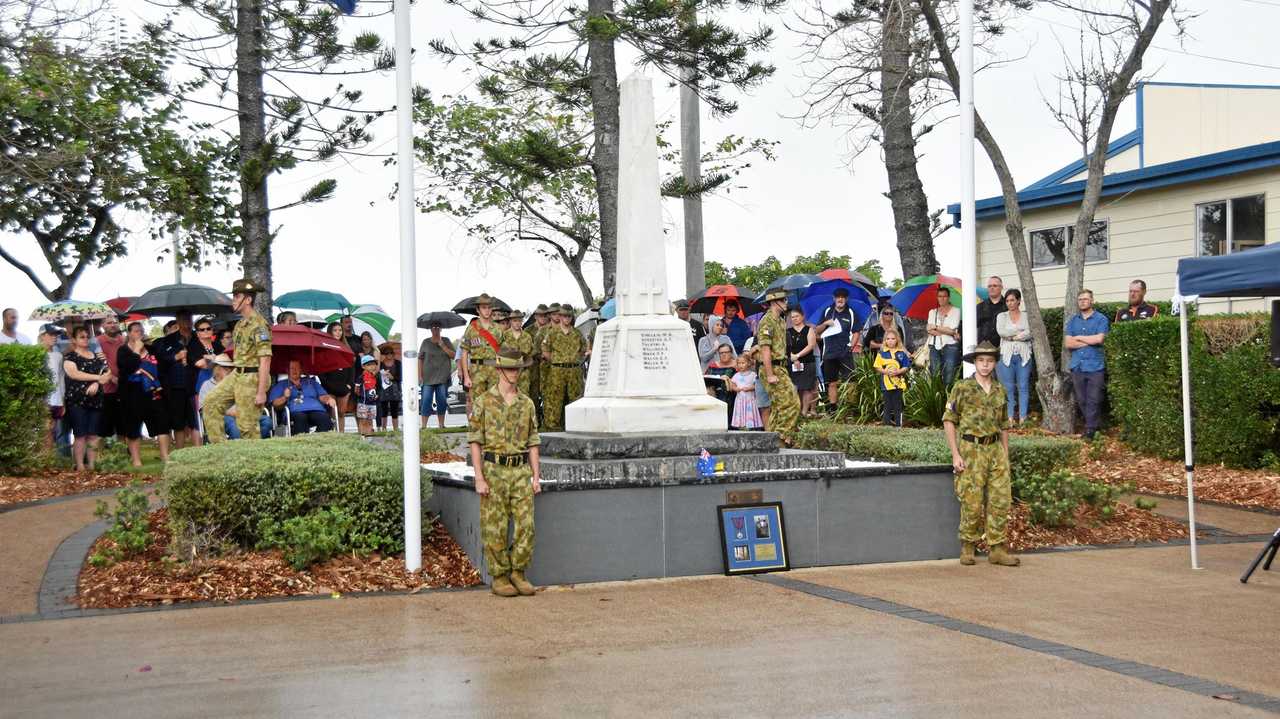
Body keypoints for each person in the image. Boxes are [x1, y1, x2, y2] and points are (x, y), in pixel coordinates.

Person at [468, 346, 542, 598]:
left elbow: (533, 441)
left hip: (520, 470)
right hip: (493, 470)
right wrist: (479, 477)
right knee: (494, 527)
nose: (515, 373)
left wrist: (536, 476)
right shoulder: (484, 402)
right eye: (510, 368)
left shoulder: (526, 403)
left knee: (526, 525)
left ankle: (518, 572)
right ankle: (499, 576)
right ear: (499, 369)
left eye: (518, 369)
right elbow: (475, 441)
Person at [943, 341, 1019, 567]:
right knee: (972, 500)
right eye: (981, 361)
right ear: (975, 362)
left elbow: (1004, 424)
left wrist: (1005, 454)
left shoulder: (999, 390)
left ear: (995, 363)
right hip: (971, 449)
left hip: (995, 449)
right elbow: (949, 421)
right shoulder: (962, 388)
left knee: (999, 501)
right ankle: (968, 545)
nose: (985, 365)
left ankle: (997, 549)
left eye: (989, 361)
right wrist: (955, 454)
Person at [203, 279, 273, 443]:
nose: (233, 300)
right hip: (237, 374)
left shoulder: (259, 325)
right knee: (211, 404)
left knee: (247, 426)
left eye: (237, 296)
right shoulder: (240, 325)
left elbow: (265, 360)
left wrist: (261, 391)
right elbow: (239, 355)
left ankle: (255, 467)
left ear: (248, 300)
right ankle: (223, 454)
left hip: (253, 377)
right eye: (233, 296)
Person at [116, 321, 171, 465]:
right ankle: (136, 460)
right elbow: (126, 368)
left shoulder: (151, 350)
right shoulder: (123, 351)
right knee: (133, 427)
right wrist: (136, 351)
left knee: (162, 424)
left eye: (141, 330)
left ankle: (165, 456)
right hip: (132, 395)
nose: (139, 333)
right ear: (128, 333)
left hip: (154, 393)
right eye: (135, 331)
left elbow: (163, 367)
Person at [754, 291, 801, 444]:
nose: (786, 302)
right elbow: (765, 349)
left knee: (778, 405)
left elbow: (780, 347)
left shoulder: (780, 321)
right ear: (775, 302)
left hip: (781, 366)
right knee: (792, 403)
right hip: (771, 368)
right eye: (784, 300)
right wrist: (769, 374)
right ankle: (780, 436)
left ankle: (772, 440)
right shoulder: (767, 321)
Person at [62, 325, 111, 471]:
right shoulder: (70, 357)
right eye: (81, 337)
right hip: (77, 401)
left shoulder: (97, 356)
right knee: (80, 434)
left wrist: (97, 382)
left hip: (96, 400)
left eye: (87, 336)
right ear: (74, 340)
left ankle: (92, 464)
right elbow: (74, 374)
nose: (85, 339)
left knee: (93, 435)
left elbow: (107, 374)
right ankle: (80, 465)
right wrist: (98, 377)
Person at [1064, 289, 1109, 439]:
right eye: (1080, 299)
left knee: (1094, 399)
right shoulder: (1073, 321)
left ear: (1092, 301)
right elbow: (1069, 343)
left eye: (1085, 299)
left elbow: (1100, 340)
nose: (1082, 301)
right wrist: (1089, 340)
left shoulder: (1101, 319)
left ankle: (1090, 430)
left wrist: (1080, 338)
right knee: (1082, 400)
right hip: (1078, 366)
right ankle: (1094, 426)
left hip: (1095, 366)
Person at [199, 354, 272, 440]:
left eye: (231, 368)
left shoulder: (237, 382)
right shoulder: (207, 385)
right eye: (226, 368)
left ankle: (253, 444)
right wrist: (229, 412)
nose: (230, 371)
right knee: (234, 427)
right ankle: (239, 448)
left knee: (266, 421)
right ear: (217, 369)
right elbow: (204, 408)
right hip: (223, 415)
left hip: (244, 413)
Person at [155, 310, 199, 447]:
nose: (187, 321)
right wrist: (175, 357)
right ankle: (180, 451)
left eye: (189, 318)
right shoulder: (167, 340)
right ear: (178, 320)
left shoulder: (198, 337)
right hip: (175, 386)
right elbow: (160, 359)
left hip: (195, 385)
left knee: (195, 420)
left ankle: (199, 450)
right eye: (183, 318)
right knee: (178, 421)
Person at [540, 304, 585, 431]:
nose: (567, 319)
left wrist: (573, 359)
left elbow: (582, 350)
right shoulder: (552, 333)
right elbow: (545, 351)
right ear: (560, 317)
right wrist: (557, 361)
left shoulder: (577, 333)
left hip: (574, 370)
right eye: (564, 316)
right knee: (554, 400)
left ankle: (575, 427)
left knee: (575, 399)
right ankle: (552, 428)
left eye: (569, 316)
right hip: (557, 370)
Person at [460, 293, 507, 409]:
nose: (487, 310)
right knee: (478, 405)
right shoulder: (471, 329)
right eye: (483, 308)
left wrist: (503, 374)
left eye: (489, 307)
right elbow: (464, 353)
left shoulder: (497, 329)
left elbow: (503, 352)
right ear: (478, 309)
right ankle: (479, 428)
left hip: (495, 370)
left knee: (495, 405)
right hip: (477, 371)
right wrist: (466, 376)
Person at [995, 289, 1033, 426]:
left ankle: (1023, 418)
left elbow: (1031, 331)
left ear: (1018, 301)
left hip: (1024, 355)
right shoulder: (1002, 316)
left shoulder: (1026, 316)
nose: (1009, 303)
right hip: (1006, 355)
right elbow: (1001, 332)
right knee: (1008, 387)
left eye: (1012, 300)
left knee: (1023, 386)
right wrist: (1020, 333)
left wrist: (1014, 336)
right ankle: (1009, 418)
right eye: (1007, 301)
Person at [815, 288, 858, 410]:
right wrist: (825, 324)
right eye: (838, 297)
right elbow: (817, 331)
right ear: (834, 298)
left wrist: (850, 347)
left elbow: (856, 332)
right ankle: (833, 409)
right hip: (829, 352)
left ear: (846, 299)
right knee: (832, 382)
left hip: (845, 352)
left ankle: (851, 408)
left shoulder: (851, 312)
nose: (840, 299)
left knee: (850, 381)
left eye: (843, 297)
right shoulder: (827, 311)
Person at [269, 359, 338, 434]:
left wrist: (329, 399)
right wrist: (285, 397)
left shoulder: (311, 382)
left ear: (301, 370)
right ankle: (302, 442)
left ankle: (320, 441)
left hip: (316, 409)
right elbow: (275, 404)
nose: (294, 370)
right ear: (287, 370)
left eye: (297, 368)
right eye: (292, 368)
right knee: (301, 418)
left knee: (324, 418)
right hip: (295, 412)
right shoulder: (281, 385)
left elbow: (322, 396)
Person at [186, 316, 223, 443]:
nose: (206, 331)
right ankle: (198, 448)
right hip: (200, 385)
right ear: (197, 332)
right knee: (199, 418)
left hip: (219, 384)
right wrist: (216, 359)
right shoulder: (193, 345)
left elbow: (227, 361)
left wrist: (210, 358)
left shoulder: (217, 345)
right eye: (202, 330)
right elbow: (200, 363)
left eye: (208, 328)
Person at [93, 315, 126, 443]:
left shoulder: (123, 340)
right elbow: (97, 363)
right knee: (103, 427)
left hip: (122, 388)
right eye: (109, 323)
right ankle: (99, 457)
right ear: (103, 325)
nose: (112, 325)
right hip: (105, 390)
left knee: (122, 425)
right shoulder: (96, 341)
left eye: (115, 322)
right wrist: (111, 377)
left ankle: (122, 453)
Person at [318, 322, 355, 433]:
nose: (338, 332)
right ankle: (334, 435)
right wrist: (326, 384)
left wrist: (349, 385)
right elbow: (320, 370)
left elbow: (351, 367)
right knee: (333, 414)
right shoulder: (324, 348)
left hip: (344, 386)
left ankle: (342, 435)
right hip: (329, 386)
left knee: (341, 413)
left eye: (340, 330)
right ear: (330, 332)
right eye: (335, 330)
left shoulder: (346, 348)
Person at [419, 322, 455, 429]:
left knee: (442, 400)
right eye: (433, 327)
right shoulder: (425, 342)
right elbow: (420, 359)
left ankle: (441, 424)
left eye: (438, 327)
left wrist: (443, 345)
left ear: (441, 329)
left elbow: (453, 355)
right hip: (427, 377)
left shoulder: (446, 340)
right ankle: (424, 426)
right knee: (426, 400)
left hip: (442, 377)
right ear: (430, 329)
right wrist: (419, 375)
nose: (435, 329)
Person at [873, 327, 911, 427]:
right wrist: (885, 371)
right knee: (887, 405)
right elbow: (877, 366)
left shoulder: (901, 353)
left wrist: (898, 371)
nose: (890, 341)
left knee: (898, 405)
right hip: (886, 384)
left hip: (898, 384)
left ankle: (899, 425)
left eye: (893, 339)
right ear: (885, 340)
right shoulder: (882, 353)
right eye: (888, 339)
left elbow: (906, 366)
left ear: (897, 340)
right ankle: (886, 425)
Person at [37, 324, 67, 452]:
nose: (55, 337)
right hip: (42, 400)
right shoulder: (34, 354)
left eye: (56, 335)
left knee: (52, 430)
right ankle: (43, 463)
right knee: (44, 432)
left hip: (57, 400)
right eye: (51, 334)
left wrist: (63, 400)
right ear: (42, 336)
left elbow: (61, 379)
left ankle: (49, 463)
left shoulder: (58, 355)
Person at [786, 307, 819, 416]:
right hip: (791, 362)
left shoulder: (809, 330)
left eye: (797, 316)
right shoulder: (788, 332)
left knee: (807, 388)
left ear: (802, 317)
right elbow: (785, 347)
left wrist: (798, 356)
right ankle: (796, 411)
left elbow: (811, 345)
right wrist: (792, 357)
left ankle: (804, 412)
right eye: (792, 317)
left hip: (807, 361)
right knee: (795, 387)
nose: (794, 319)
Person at [925, 287, 962, 384]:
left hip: (950, 346)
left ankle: (948, 397)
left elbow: (952, 330)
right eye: (940, 296)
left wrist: (935, 326)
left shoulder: (956, 310)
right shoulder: (932, 312)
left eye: (944, 296)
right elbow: (929, 330)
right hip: (934, 346)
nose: (942, 298)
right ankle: (937, 399)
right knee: (935, 374)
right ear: (937, 298)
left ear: (949, 297)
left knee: (949, 374)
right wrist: (947, 331)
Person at [504, 310, 534, 396]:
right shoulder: (504, 336)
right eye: (515, 321)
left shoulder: (527, 337)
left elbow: (531, 354)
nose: (517, 323)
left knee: (523, 401)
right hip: (508, 375)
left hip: (524, 375)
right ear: (510, 321)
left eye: (520, 321)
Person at [729, 355, 762, 430]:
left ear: (749, 363)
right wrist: (736, 389)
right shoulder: (736, 375)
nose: (741, 365)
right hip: (740, 399)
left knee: (750, 412)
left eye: (743, 363)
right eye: (739, 363)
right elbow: (732, 385)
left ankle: (751, 426)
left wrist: (750, 388)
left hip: (750, 399)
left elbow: (756, 385)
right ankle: (741, 425)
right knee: (740, 412)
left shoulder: (753, 375)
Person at [375, 345, 403, 431]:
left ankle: (395, 429)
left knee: (395, 410)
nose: (389, 355)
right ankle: (384, 428)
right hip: (383, 390)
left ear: (393, 354)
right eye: (387, 353)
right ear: (383, 355)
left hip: (395, 389)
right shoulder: (381, 364)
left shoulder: (398, 363)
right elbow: (377, 376)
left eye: (391, 353)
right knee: (384, 410)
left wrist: (392, 377)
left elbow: (401, 377)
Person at [976, 276, 1007, 348]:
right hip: (984, 347)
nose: (992, 288)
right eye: (989, 286)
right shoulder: (980, 307)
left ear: (1001, 287)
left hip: (1003, 347)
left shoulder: (1008, 305)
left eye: (995, 286)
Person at [354, 355, 380, 436]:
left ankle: (369, 435)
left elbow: (378, 388)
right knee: (363, 420)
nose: (372, 366)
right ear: (363, 366)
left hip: (372, 403)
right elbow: (356, 390)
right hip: (363, 402)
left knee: (370, 419)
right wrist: (361, 396)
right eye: (369, 365)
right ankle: (363, 434)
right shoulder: (360, 377)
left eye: (373, 364)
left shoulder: (376, 377)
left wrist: (376, 395)